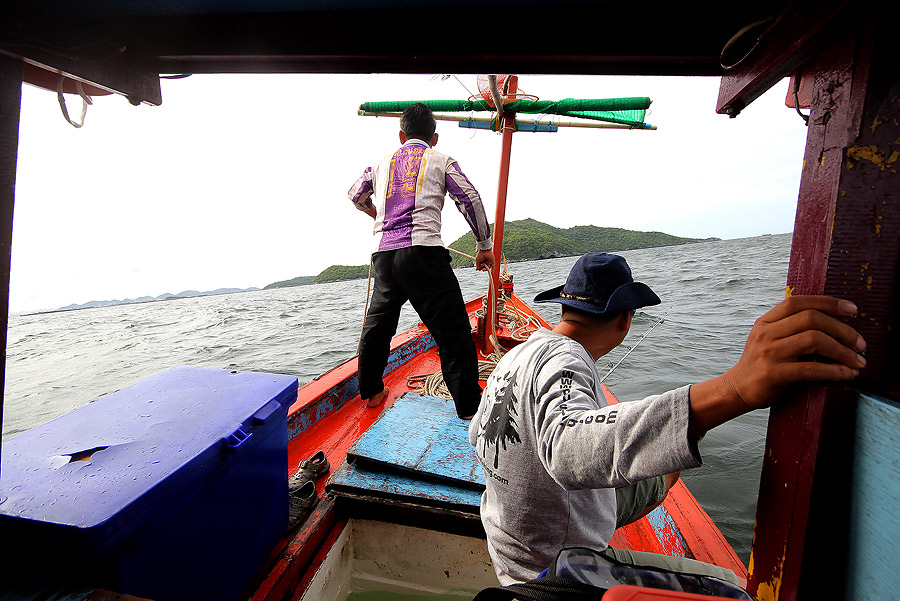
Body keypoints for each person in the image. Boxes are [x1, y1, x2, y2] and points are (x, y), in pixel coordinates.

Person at [469, 252, 866, 585]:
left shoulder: (520, 353)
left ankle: (667, 465)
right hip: (553, 569)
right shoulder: (568, 358)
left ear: (562, 307)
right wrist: (734, 390)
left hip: (508, 539)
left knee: (664, 470)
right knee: (731, 585)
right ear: (626, 320)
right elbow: (566, 449)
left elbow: (478, 434)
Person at [348, 102, 495, 418]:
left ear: (401, 136)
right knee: (453, 332)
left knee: (378, 327)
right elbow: (469, 198)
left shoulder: (379, 165)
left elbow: (355, 193)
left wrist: (373, 212)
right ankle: (469, 407)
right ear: (435, 137)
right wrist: (484, 245)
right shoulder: (441, 160)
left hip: (384, 257)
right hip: (423, 254)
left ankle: (372, 393)